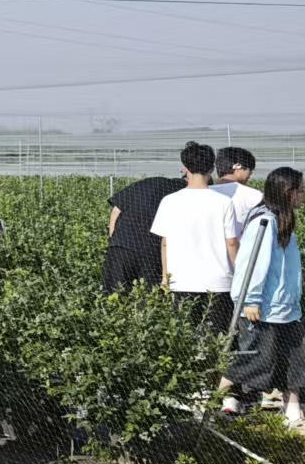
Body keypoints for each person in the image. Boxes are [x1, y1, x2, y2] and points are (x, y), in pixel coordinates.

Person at [228, 167, 305, 432]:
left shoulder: (281, 221)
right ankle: (209, 401)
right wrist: (251, 299)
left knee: (296, 360)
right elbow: (252, 263)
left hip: (286, 308)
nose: (303, 195)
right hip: (264, 308)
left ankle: (293, 413)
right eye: (300, 190)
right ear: (288, 192)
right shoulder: (264, 222)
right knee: (252, 362)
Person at [149, 141, 239, 330]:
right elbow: (231, 243)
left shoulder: (170, 201)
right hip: (218, 282)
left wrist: (165, 277)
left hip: (181, 281)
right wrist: (239, 273)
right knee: (216, 336)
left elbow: (165, 243)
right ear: (212, 169)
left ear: (184, 168)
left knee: (184, 335)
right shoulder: (224, 202)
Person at [104, 173, 186, 292]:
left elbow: (116, 210)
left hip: (121, 246)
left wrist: (113, 239)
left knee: (116, 294)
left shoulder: (149, 182)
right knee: (149, 296)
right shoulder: (186, 194)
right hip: (152, 252)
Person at [213, 147, 264, 224]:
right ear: (238, 166)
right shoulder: (254, 196)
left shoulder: (205, 193)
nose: (250, 174)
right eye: (250, 170)